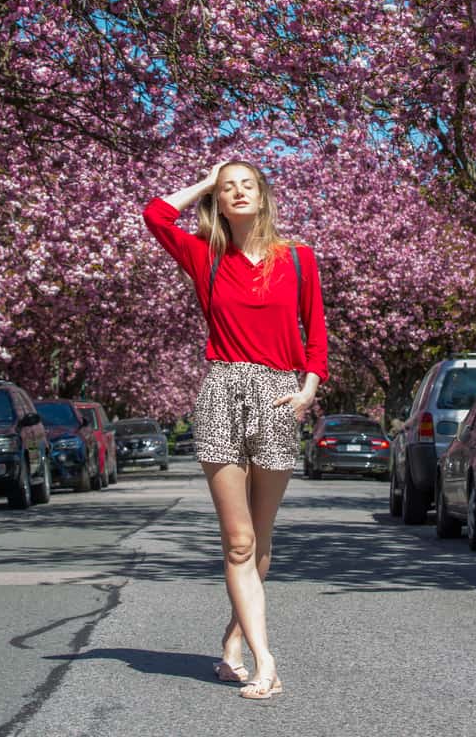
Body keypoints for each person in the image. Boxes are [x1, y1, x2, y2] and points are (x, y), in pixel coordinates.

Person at [143, 160, 328, 700]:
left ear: (264, 195)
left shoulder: (297, 258)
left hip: (277, 395)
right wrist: (206, 181)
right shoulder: (204, 257)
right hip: (222, 392)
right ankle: (264, 659)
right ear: (218, 202)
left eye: (247, 185)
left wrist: (308, 388)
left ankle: (232, 639)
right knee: (240, 540)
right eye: (228, 189)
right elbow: (155, 215)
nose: (238, 192)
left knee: (262, 539)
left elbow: (315, 333)